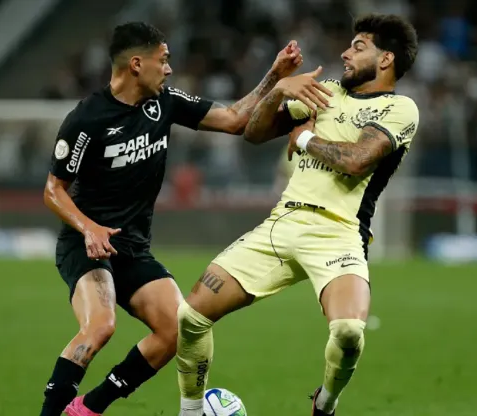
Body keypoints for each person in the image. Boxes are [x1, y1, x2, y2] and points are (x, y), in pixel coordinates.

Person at [40, 21, 306, 416]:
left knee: (177, 329)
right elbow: (53, 190)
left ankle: (88, 409)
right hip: (88, 246)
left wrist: (274, 76)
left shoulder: (163, 102)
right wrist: (88, 227)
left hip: (131, 247)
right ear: (135, 64)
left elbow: (234, 119)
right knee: (100, 327)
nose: (168, 69)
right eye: (162, 61)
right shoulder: (87, 119)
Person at [175, 14, 419, 416]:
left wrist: (304, 137)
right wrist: (279, 89)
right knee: (191, 316)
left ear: (387, 59)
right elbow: (254, 133)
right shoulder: (324, 91)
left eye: (359, 47)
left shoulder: (400, 108)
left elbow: (358, 161)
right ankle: (190, 410)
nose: (345, 52)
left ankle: (325, 401)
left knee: (348, 333)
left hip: (338, 233)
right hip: (282, 223)